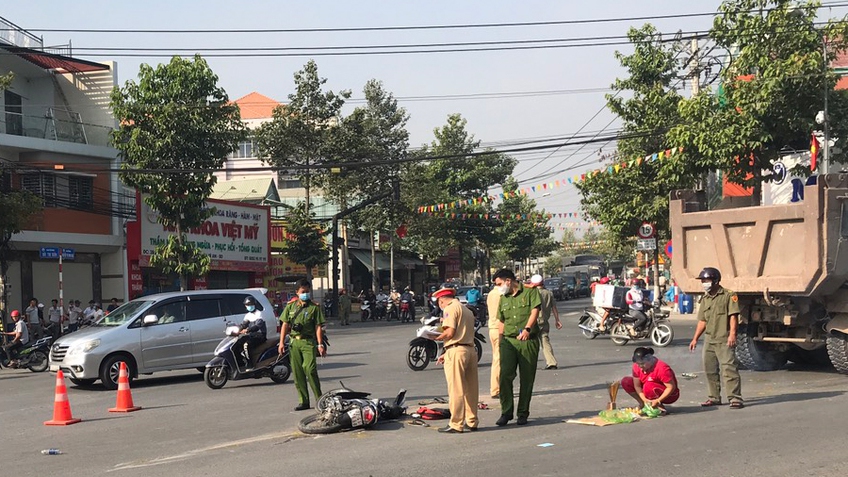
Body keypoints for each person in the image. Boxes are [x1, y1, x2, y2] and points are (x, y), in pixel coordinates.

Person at [689, 267, 744, 409]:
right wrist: (695, 338)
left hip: (724, 338)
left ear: (715, 281)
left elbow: (733, 316)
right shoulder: (705, 298)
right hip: (709, 339)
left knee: (729, 369)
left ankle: (735, 398)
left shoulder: (728, 295)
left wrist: (732, 334)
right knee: (710, 369)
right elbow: (702, 321)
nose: (703, 283)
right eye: (702, 281)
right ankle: (714, 397)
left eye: (706, 280)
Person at [493, 268, 541, 426]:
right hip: (508, 340)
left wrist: (527, 328)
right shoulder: (504, 298)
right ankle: (506, 412)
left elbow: (535, 310)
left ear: (508, 281)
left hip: (528, 341)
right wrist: (500, 343)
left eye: (499, 284)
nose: (499, 287)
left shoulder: (530, 292)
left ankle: (522, 412)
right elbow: (501, 321)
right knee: (505, 376)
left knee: (527, 379)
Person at [429, 287, 479, 433]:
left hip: (456, 351)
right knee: (471, 388)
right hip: (470, 349)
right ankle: (472, 420)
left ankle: (456, 423)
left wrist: (435, 336)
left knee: (456, 388)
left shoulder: (450, 309)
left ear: (441, 300)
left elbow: (450, 333)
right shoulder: (466, 310)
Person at [279, 279, 326, 411]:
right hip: (294, 342)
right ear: (297, 292)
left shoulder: (314, 307)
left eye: (307, 292)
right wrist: (281, 342)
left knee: (310, 370)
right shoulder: (290, 307)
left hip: (308, 342)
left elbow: (318, 326)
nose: (305, 294)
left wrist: (320, 344)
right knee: (298, 372)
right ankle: (303, 401)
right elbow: (285, 324)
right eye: (302, 292)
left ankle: (319, 399)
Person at [620, 346, 679, 415]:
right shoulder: (637, 366)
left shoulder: (662, 368)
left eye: (642, 364)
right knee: (626, 381)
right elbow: (637, 386)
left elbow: (671, 387)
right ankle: (643, 404)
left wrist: (658, 400)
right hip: (648, 389)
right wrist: (644, 400)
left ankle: (658, 406)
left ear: (650, 360)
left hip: (670, 394)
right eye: (638, 364)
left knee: (648, 386)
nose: (640, 367)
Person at [529, 275, 562, 370]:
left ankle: (530, 363)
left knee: (531, 343)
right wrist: (557, 320)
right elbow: (554, 308)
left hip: (533, 321)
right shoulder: (548, 293)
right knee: (545, 342)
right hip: (544, 321)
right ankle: (552, 362)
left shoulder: (532, 293)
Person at [238, 296, 267, 368]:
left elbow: (257, 326)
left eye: (250, 304)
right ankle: (241, 363)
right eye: (247, 305)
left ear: (254, 304)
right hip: (252, 335)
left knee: (246, 345)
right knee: (238, 343)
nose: (249, 306)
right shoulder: (248, 315)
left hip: (260, 335)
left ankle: (250, 365)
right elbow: (244, 325)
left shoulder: (259, 314)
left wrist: (248, 330)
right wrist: (237, 329)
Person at [486, 284, 502, 399]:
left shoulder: (491, 294)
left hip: (493, 328)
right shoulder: (501, 294)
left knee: (497, 358)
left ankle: (496, 388)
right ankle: (496, 389)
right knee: (499, 359)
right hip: (499, 328)